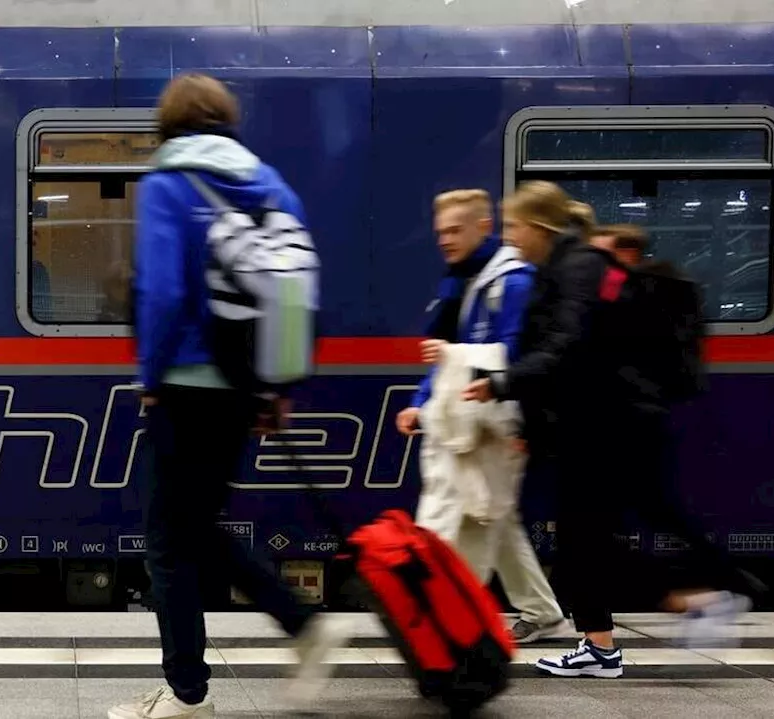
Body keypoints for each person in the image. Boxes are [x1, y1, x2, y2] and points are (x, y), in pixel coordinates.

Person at [110, 73, 349, 719]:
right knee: (195, 525)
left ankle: (187, 693)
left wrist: (152, 377)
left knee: (167, 539)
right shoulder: (271, 184)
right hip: (242, 388)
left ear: (170, 123)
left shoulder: (168, 182)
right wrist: (274, 386)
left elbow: (161, 293)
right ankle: (298, 621)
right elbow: (296, 289)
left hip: (186, 383)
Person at [462, 181, 757, 679]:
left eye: (512, 225)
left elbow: (567, 346)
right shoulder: (562, 267)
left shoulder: (576, 267)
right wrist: (533, 421)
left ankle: (710, 596)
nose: (508, 236)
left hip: (610, 426)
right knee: (591, 538)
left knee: (591, 540)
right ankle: (603, 645)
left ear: (537, 226)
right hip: (594, 424)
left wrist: (502, 384)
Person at [397, 189, 565, 645]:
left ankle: (454, 624)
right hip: (473, 419)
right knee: (498, 517)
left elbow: (512, 353)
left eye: (455, 230)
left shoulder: (511, 282)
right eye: (441, 232)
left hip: (497, 423)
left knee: (473, 520)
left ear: (482, 227)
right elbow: (445, 356)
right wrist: (420, 400)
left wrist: (451, 357)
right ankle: (543, 614)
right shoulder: (465, 281)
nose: (445, 241)